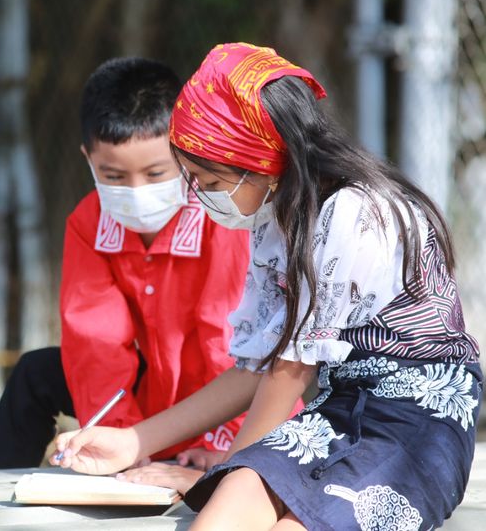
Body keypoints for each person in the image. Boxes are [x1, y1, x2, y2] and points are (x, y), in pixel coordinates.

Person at [52, 42, 482, 531]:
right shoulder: (271, 218)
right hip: (335, 413)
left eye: (209, 183)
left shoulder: (354, 212)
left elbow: (290, 372)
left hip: (412, 431)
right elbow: (256, 367)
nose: (201, 198)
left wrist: (223, 475)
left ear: (257, 158)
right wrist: (134, 441)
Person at [0, 57, 253, 471]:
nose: (136, 190)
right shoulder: (89, 223)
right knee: (37, 371)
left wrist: (227, 442)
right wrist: (126, 445)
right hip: (143, 404)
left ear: (187, 153)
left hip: (221, 407)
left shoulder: (222, 217)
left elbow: (230, 345)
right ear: (88, 158)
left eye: (156, 173)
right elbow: (95, 345)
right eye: (115, 176)